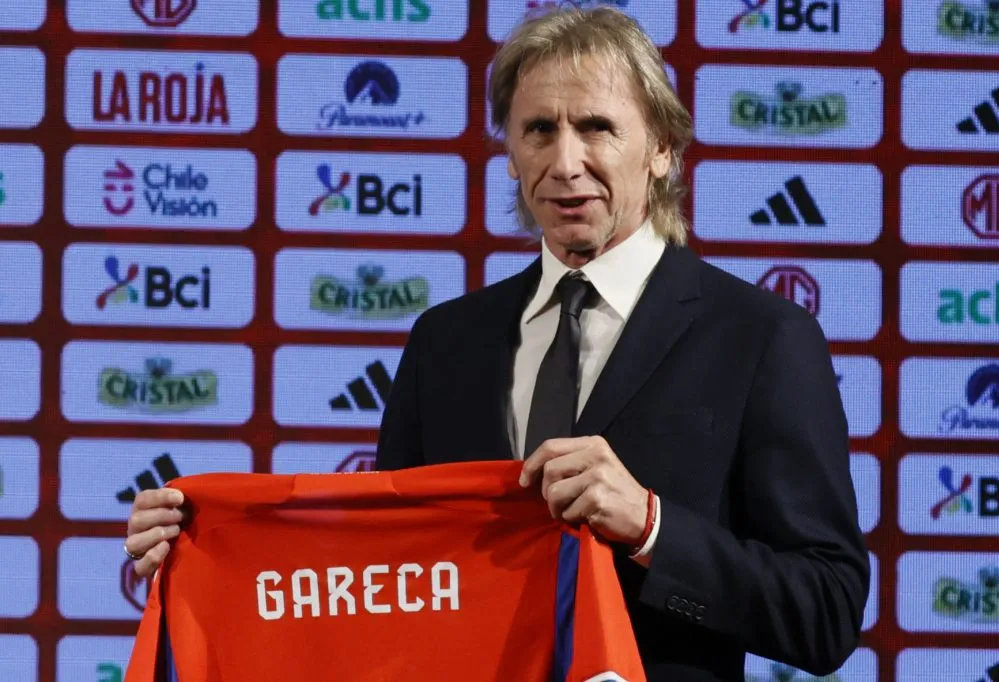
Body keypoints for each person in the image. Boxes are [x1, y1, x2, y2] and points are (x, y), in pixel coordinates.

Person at [125, 6, 870, 681]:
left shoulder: (760, 337)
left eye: (597, 127)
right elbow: (387, 581)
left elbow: (827, 611)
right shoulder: (445, 343)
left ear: (662, 148)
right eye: (539, 130)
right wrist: (210, 554)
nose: (565, 162)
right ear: (510, 152)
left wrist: (651, 527)